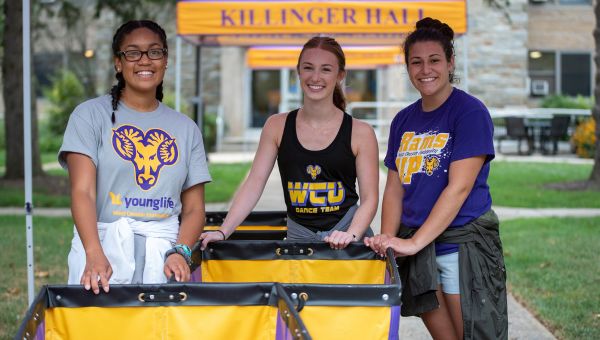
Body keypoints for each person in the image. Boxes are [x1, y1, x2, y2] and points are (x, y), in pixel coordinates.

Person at [364, 18, 508, 340]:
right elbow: (395, 190)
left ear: (450, 62)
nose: (425, 69)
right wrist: (389, 241)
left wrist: (413, 242)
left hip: (462, 245)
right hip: (418, 250)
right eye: (416, 62)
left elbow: (459, 188)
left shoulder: (469, 112)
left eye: (434, 60)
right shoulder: (403, 120)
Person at [59, 20, 211, 294]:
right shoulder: (89, 116)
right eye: (133, 52)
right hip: (102, 248)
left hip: (163, 254)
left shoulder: (186, 129)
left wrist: (181, 252)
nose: (145, 61)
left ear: (165, 60)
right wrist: (93, 253)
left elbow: (194, 209)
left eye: (154, 52)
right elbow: (82, 192)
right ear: (118, 62)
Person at [200, 36, 379, 250]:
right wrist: (223, 231)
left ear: (340, 75)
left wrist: (350, 234)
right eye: (308, 68)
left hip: (348, 239)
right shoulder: (276, 126)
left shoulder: (361, 132)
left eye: (326, 69)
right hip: (298, 240)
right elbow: (253, 185)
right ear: (299, 71)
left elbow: (370, 199)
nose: (315, 77)